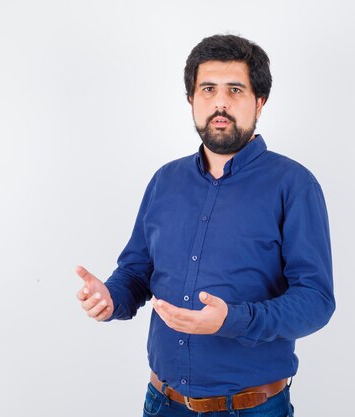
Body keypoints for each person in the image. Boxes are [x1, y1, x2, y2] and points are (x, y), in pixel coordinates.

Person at [75, 34, 335, 416]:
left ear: (259, 103)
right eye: (208, 89)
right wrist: (111, 298)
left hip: (251, 408)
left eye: (235, 90)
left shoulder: (294, 185)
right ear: (192, 100)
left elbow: (316, 301)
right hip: (163, 403)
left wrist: (232, 320)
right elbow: (137, 271)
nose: (220, 102)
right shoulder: (165, 181)